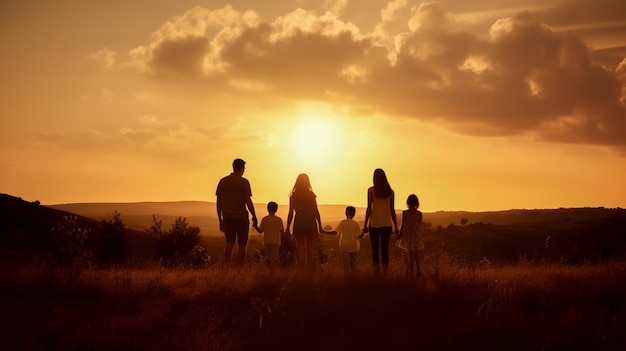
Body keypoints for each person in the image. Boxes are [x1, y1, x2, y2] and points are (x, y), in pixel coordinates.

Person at [216, 158, 258, 265]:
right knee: (242, 245)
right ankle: (239, 269)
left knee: (229, 244)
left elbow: (219, 203)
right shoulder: (244, 182)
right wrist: (254, 215)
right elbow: (248, 201)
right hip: (241, 218)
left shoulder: (223, 181)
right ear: (242, 168)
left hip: (228, 218)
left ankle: (226, 267)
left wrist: (220, 219)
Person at [285, 173, 330, 272]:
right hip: (310, 219)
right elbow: (316, 211)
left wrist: (288, 227)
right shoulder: (311, 195)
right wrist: (320, 226)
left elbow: (291, 213)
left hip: (299, 220)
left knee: (301, 247)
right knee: (309, 247)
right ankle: (310, 269)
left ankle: (302, 269)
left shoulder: (293, 196)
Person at [361, 168, 399, 277]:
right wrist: (396, 226)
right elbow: (392, 210)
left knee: (375, 250)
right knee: (384, 250)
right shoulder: (390, 192)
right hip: (387, 224)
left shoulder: (371, 191)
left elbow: (369, 208)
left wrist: (365, 224)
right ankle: (385, 273)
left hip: (374, 224)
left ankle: (376, 273)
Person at [397, 194, 424, 278]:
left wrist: (400, 235)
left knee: (410, 253)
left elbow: (403, 225)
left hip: (408, 235)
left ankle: (411, 271)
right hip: (416, 235)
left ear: (408, 203)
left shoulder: (405, 213)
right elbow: (419, 224)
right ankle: (418, 269)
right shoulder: (419, 214)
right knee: (416, 253)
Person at [253, 201, 284, 269]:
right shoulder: (279, 220)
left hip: (267, 241)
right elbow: (282, 232)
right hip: (276, 242)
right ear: (276, 209)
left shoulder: (265, 219)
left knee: (267, 258)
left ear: (267, 209)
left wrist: (255, 226)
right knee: (274, 259)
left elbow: (260, 231)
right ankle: (272, 272)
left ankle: (267, 271)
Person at [333, 206, 362, 279]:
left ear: (345, 213)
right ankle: (353, 279)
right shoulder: (356, 223)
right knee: (353, 264)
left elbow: (336, 232)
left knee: (345, 265)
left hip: (344, 246)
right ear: (354, 214)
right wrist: (365, 232)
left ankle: (346, 279)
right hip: (354, 247)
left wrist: (325, 232)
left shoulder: (343, 222)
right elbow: (359, 236)